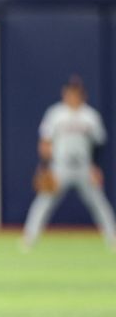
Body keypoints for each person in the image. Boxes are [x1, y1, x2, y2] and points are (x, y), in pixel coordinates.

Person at [22, 75, 116, 250]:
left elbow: (99, 145)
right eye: (69, 91)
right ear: (64, 93)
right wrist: (44, 167)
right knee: (43, 202)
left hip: (84, 167)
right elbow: (45, 142)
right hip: (60, 167)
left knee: (99, 203)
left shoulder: (90, 116)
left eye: (76, 92)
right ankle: (29, 238)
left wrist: (96, 168)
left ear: (82, 94)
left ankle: (112, 238)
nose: (72, 95)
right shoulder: (55, 114)